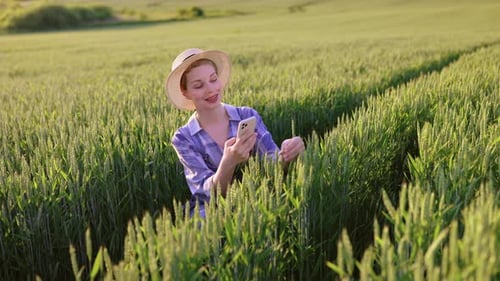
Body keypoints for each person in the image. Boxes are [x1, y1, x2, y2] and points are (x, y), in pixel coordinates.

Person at [166, 48, 305, 218]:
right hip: (214, 210)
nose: (211, 89)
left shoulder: (247, 116)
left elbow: (273, 163)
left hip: (258, 196)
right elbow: (207, 194)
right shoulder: (183, 138)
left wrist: (288, 154)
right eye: (198, 85)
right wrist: (228, 162)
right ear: (185, 92)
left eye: (213, 79)